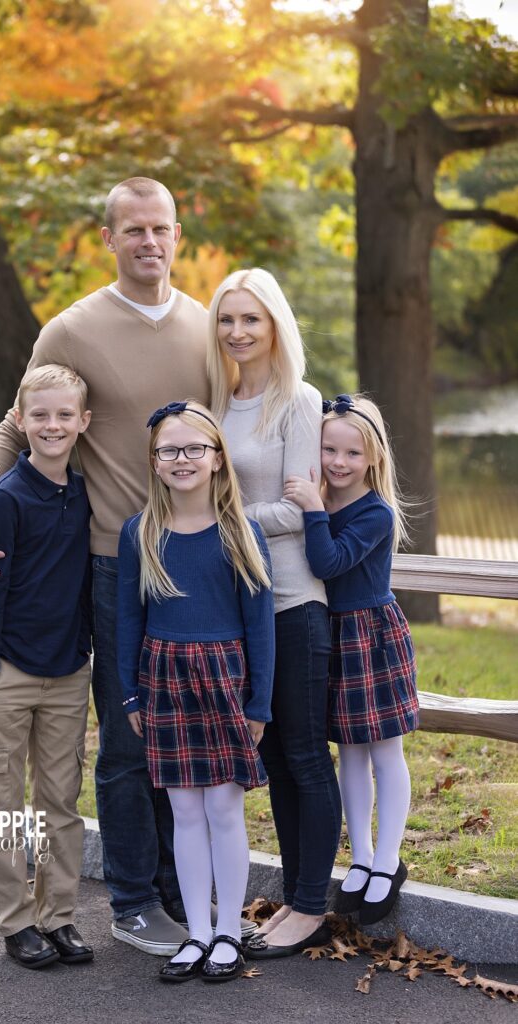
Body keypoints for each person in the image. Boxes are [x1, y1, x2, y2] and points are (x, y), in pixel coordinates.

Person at [0, 177, 215, 956]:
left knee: (187, 736)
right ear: (109, 237)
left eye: (160, 229)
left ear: (177, 235)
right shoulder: (71, 329)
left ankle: (185, 889)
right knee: (129, 740)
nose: (148, 242)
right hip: (112, 567)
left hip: (196, 562)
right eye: (132, 229)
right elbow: (17, 421)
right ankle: (132, 901)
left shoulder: (208, 327)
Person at [117, 401, 275, 983]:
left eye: (194, 449)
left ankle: (229, 930)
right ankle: (198, 934)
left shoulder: (240, 532)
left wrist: (258, 704)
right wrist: (131, 696)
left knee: (224, 807)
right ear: (154, 462)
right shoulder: (140, 532)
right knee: (184, 809)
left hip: (225, 679)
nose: (181, 460)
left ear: (215, 459)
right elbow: (127, 623)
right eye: (169, 450)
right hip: (164, 678)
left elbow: (262, 626)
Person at [207, 268, 340, 959]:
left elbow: (297, 508)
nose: (237, 332)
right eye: (227, 319)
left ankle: (309, 906)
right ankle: (295, 894)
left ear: (274, 326)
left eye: (250, 319)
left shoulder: (299, 400)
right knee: (268, 756)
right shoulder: (212, 400)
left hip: (291, 603)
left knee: (301, 754)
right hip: (234, 611)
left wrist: (218, 522)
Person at [0, 364, 94, 969]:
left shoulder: (85, 490)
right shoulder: (7, 497)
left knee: (60, 800)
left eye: (64, 415)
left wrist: (86, 649)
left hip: (69, 671)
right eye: (40, 415)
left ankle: (58, 916)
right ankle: (15, 921)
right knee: (2, 800)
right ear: (20, 421)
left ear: (83, 423)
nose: (52, 425)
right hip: (8, 670)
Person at [283, 393, 418, 925]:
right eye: (329, 450)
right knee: (350, 754)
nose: (339, 463)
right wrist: (314, 506)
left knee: (384, 750)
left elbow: (328, 561)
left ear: (373, 459)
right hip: (330, 633)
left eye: (352, 454)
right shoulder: (321, 498)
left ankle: (388, 860)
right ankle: (360, 857)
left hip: (371, 634)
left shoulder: (376, 512)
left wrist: (313, 511)